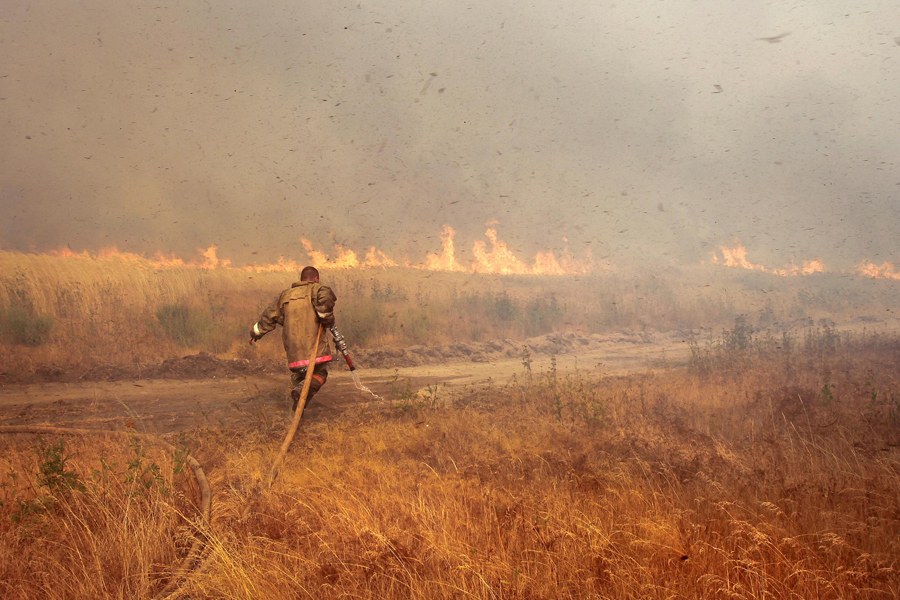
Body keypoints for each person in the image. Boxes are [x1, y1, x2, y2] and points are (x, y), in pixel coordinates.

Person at [249, 266, 337, 412]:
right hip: (314, 348)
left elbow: (269, 317)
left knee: (300, 376)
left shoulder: (285, 296)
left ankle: (298, 403)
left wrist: (255, 333)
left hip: (294, 351)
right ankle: (301, 391)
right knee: (320, 374)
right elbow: (326, 298)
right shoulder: (317, 289)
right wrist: (326, 317)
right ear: (316, 278)